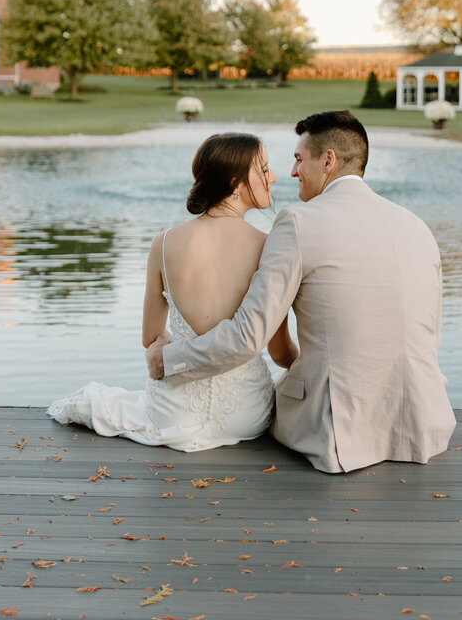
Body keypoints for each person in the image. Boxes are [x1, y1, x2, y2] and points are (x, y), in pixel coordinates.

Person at [148, 110, 455, 473]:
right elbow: (429, 333)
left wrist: (168, 359)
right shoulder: (417, 226)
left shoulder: (298, 222)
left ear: (328, 160)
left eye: (297, 159)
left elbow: (248, 338)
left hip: (337, 432)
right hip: (423, 423)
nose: (290, 172)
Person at [48, 133, 296, 450]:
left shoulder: (164, 243)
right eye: (263, 169)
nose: (272, 176)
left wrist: (173, 347)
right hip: (247, 415)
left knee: (110, 402)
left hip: (174, 413)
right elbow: (279, 352)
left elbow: (151, 338)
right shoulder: (268, 248)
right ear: (235, 184)